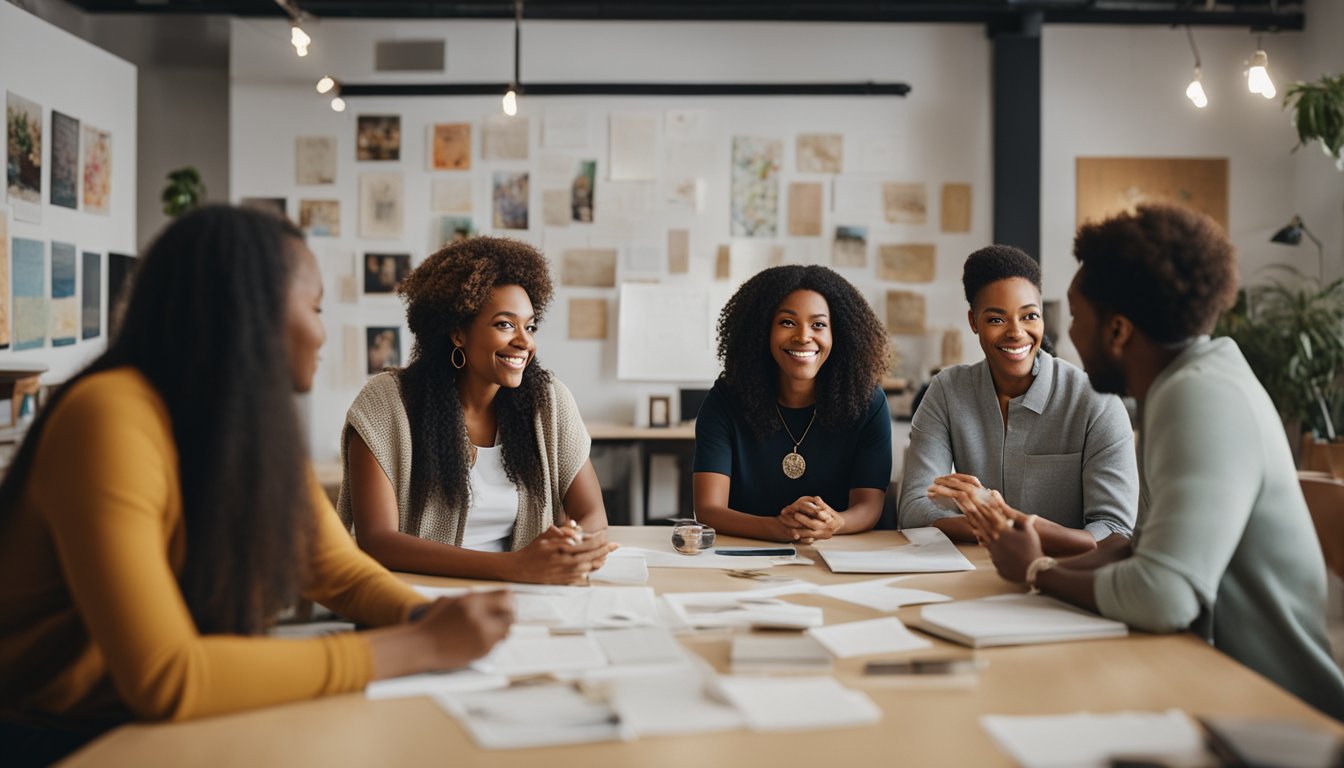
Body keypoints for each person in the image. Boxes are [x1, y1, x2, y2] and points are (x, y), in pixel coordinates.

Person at [0, 206, 514, 764]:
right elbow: (165, 676)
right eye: (315, 308)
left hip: (154, 721)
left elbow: (333, 569)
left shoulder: (246, 423)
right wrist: (419, 645)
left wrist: (420, 615)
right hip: (57, 737)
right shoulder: (108, 417)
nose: (322, 332)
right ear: (252, 311)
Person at [974, 204, 1344, 719]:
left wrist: (1038, 569)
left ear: (1119, 331)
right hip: (1210, 682)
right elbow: (1140, 550)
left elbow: (1163, 596)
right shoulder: (1191, 381)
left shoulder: (1200, 398)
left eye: (1078, 317)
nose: (1069, 337)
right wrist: (1047, 561)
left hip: (1274, 713)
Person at [340, 237, 615, 583]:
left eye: (529, 326)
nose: (524, 341)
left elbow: (592, 514)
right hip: (421, 601)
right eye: (504, 324)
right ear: (458, 333)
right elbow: (377, 541)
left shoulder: (548, 401)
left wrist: (569, 546)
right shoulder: (387, 404)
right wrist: (515, 567)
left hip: (525, 598)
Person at [899, 245, 1137, 555]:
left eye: (1030, 316)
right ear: (973, 322)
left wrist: (1007, 523)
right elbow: (913, 510)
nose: (1016, 332)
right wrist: (992, 525)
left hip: (1065, 580)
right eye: (997, 320)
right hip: (970, 577)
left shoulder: (1097, 402)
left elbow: (1114, 532)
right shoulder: (947, 391)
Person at [693, 265, 892, 543]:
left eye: (818, 324)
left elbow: (870, 506)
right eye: (787, 322)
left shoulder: (868, 402)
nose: (803, 336)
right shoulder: (726, 399)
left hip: (839, 555)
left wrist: (836, 522)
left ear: (839, 333)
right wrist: (778, 529)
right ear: (762, 330)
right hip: (747, 556)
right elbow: (708, 510)